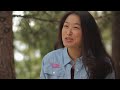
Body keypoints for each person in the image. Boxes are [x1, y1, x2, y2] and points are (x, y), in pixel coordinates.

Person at [40, 11, 115, 79]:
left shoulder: (103, 64)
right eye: (66, 26)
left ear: (88, 32)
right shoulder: (49, 60)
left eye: (75, 27)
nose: (68, 32)